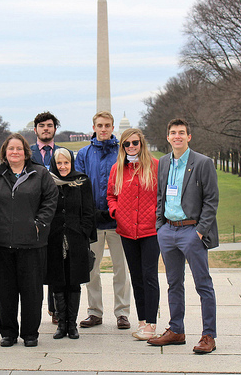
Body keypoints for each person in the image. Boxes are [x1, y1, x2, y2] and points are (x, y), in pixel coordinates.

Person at [147, 118, 219, 354]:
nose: (177, 136)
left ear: (189, 137)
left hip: (191, 230)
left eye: (181, 133)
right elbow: (160, 196)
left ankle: (208, 335)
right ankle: (176, 330)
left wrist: (199, 232)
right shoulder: (164, 162)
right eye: (173, 133)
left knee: (203, 285)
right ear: (167, 137)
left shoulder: (203, 163)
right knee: (173, 283)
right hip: (168, 230)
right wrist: (160, 226)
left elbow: (211, 201)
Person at [0, 133, 58, 347]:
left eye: (19, 149)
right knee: (6, 291)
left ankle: (30, 333)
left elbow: (50, 201)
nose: (14, 152)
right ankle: (8, 332)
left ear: (26, 152)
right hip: (1, 243)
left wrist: (39, 224)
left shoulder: (40, 174)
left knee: (32, 291)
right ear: (4, 153)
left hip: (32, 243)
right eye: (10, 149)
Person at [74, 111, 131, 330]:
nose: (104, 129)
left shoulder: (122, 152)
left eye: (107, 125)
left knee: (121, 270)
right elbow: (78, 184)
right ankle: (94, 311)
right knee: (91, 269)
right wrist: (90, 212)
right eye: (100, 125)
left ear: (113, 127)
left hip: (119, 221)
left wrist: (118, 210)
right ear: (94, 127)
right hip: (93, 221)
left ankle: (122, 312)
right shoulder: (84, 154)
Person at [107, 128, 160, 340]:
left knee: (149, 276)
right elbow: (111, 195)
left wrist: (157, 215)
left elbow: (163, 193)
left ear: (142, 143)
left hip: (150, 230)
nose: (131, 147)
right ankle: (142, 320)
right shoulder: (117, 169)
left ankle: (152, 323)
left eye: (135, 143)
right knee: (136, 277)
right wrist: (116, 212)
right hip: (127, 230)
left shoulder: (155, 166)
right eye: (126, 144)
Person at [45, 148, 96, 340]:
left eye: (66, 163)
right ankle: (61, 324)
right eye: (59, 163)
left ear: (71, 163)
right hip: (54, 238)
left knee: (74, 281)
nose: (63, 167)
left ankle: (72, 325)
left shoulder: (81, 180)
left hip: (76, 238)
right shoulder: (48, 181)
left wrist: (83, 231)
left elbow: (89, 210)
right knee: (58, 281)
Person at [29, 111, 74, 324]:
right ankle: (35, 309)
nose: (45, 129)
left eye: (49, 125)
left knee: (56, 262)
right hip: (33, 215)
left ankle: (56, 309)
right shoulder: (28, 153)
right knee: (37, 264)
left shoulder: (63, 153)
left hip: (58, 217)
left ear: (55, 129)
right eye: (41, 126)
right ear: (35, 129)